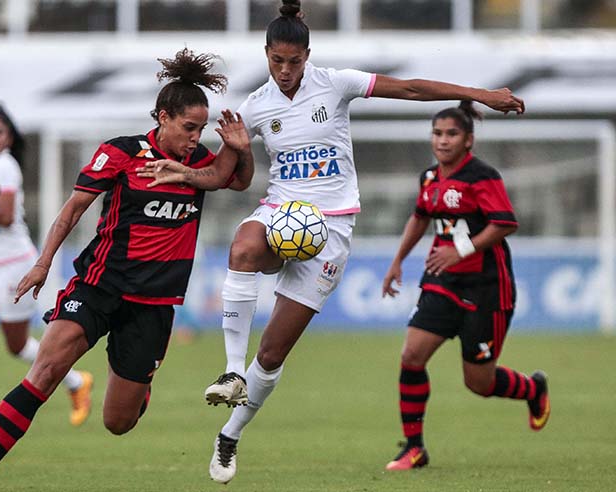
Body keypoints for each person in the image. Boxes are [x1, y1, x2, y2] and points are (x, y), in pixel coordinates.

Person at [136, 0, 525, 483]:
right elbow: (226, 176)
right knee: (243, 247)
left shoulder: (334, 84)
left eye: (293, 61)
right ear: (266, 54)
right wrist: (205, 162)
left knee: (275, 355)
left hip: (332, 227)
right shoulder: (257, 106)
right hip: (282, 212)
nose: (283, 70)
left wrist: (481, 95)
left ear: (307, 55)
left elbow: (410, 88)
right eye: (275, 60)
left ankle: (230, 434)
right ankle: (232, 370)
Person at [0, 47, 253, 492]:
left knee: (118, 423)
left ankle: (138, 382)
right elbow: (72, 210)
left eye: (201, 130)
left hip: (153, 305)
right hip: (99, 287)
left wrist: (242, 149)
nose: (196, 138)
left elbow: (236, 178)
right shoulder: (121, 153)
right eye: (188, 127)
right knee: (43, 374)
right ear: (163, 117)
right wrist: (44, 263)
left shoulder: (198, 164)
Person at [380, 101, 549, 470]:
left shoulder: (482, 177)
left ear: (468, 140)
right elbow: (420, 216)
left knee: (479, 383)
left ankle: (534, 389)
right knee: (411, 356)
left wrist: (461, 251)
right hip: (442, 282)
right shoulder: (429, 178)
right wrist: (397, 262)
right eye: (437, 133)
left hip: (486, 287)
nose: (442, 141)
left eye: (451, 133)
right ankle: (414, 447)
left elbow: (504, 223)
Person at [0, 103, 94, 437]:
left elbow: (6, 216)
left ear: (9, 138)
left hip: (13, 264)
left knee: (17, 344)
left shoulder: (6, 167)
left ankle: (76, 380)